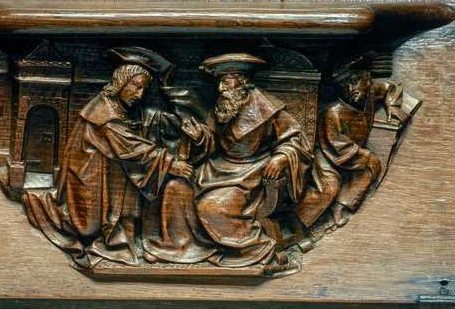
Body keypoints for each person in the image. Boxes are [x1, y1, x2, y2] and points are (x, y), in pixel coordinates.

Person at [23, 48, 193, 267]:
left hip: (107, 173)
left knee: (128, 174)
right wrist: (170, 164)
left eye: (144, 89)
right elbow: (128, 146)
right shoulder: (103, 112)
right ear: (121, 82)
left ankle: (126, 236)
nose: (140, 94)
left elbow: (135, 133)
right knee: (89, 222)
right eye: (136, 86)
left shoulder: (120, 107)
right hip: (89, 179)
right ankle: (46, 208)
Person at [153, 53, 313, 272]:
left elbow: (296, 141)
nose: (221, 89)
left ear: (243, 83)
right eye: (220, 82)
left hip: (251, 173)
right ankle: (185, 248)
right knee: (175, 187)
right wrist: (199, 138)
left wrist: (281, 157)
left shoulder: (268, 109)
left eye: (226, 82)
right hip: (217, 168)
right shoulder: (225, 106)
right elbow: (214, 140)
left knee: (212, 206)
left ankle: (259, 249)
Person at [294, 57, 406, 229]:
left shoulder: (370, 93)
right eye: (345, 85)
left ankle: (339, 207)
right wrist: (364, 155)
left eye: (355, 81)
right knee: (329, 187)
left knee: (370, 167)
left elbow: (390, 87)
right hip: (326, 156)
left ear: (367, 79)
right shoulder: (333, 112)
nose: (351, 89)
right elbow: (336, 144)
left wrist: (392, 105)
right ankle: (298, 223)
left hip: (351, 154)